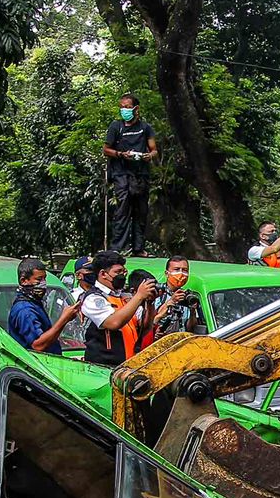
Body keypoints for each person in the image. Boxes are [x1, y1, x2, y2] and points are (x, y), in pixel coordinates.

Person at [79, 253, 159, 367]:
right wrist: (139, 296)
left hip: (128, 366)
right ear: (103, 274)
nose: (122, 275)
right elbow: (113, 322)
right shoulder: (93, 298)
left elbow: (144, 328)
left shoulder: (125, 297)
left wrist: (150, 303)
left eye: (123, 271)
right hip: (103, 368)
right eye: (118, 272)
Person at [104, 93, 158, 255]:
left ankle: (138, 248)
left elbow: (154, 150)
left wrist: (149, 155)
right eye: (122, 107)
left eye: (127, 107)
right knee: (123, 210)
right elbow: (106, 149)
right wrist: (121, 154)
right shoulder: (116, 127)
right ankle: (116, 249)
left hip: (141, 174)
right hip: (121, 174)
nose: (124, 110)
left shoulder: (145, 128)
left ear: (136, 109)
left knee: (141, 211)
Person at [7, 257, 82, 355]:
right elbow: (38, 345)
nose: (43, 283)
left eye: (44, 279)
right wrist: (64, 319)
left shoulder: (34, 303)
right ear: (23, 281)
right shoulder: (25, 310)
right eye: (39, 279)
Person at [153, 256, 198, 338]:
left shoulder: (187, 296)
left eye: (185, 270)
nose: (181, 273)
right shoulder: (157, 293)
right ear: (167, 273)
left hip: (181, 341)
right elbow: (152, 321)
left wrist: (192, 311)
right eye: (177, 269)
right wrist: (172, 301)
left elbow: (190, 328)